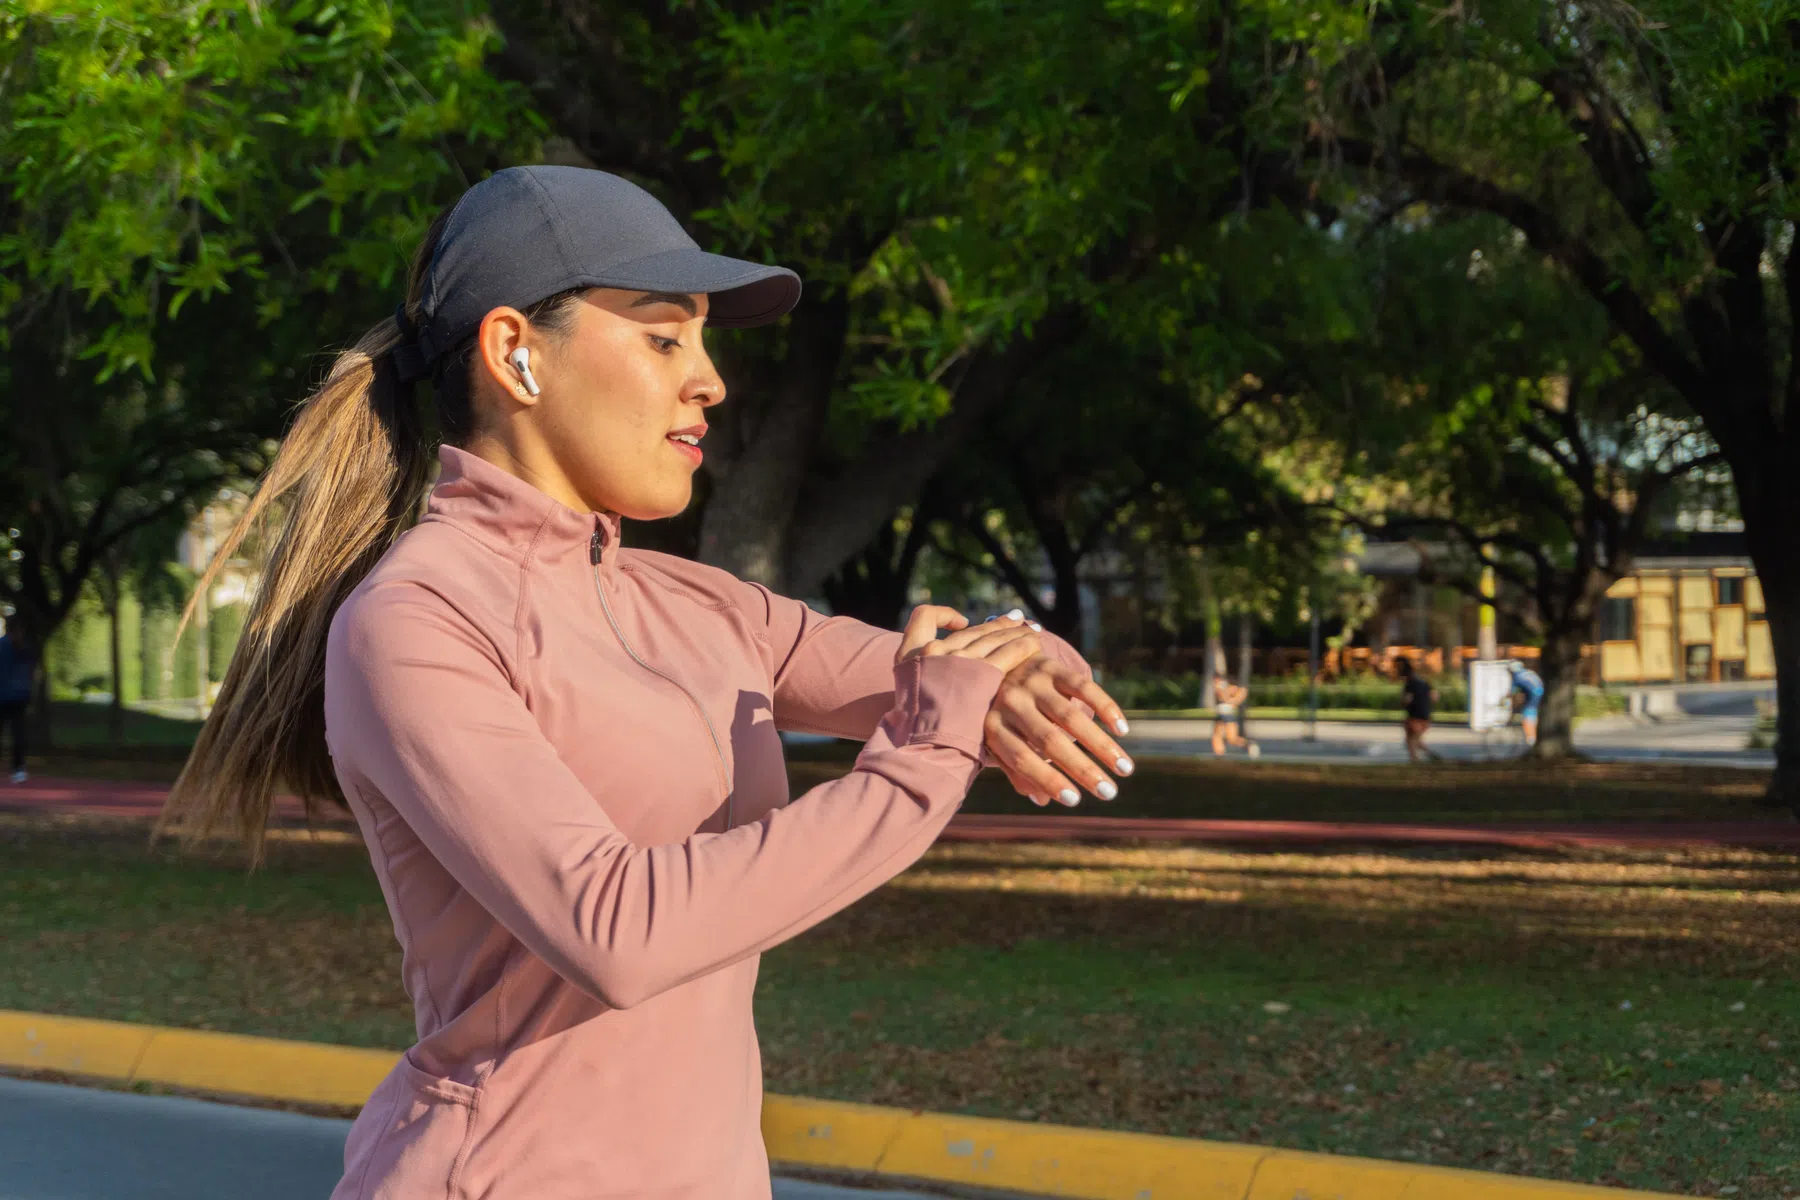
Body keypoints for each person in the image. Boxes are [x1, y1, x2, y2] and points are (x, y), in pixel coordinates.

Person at [157, 166, 1136, 1200]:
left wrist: (1021, 661)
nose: (711, 380)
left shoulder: (700, 606)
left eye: (705, 343)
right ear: (514, 353)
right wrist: (926, 753)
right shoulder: (413, 621)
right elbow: (617, 929)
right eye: (666, 338)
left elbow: (954, 673)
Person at [0, 622, 35, 783]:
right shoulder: (3, 647)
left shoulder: (25, 649)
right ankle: (17, 768)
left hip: (17, 699)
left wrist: (26, 693)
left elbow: (28, 672)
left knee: (18, 735)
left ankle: (18, 768)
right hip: (3, 697)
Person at [1396, 656, 1437, 763]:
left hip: (1414, 715)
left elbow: (1407, 699)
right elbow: (1435, 697)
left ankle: (1414, 760)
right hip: (1425, 714)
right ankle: (1431, 756)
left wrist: (1401, 703)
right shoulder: (1425, 683)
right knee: (1414, 740)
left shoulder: (1410, 683)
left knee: (1412, 740)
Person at [1210, 671, 1260, 757]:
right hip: (1220, 714)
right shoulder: (1218, 686)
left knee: (1232, 739)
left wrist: (1231, 700)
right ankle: (1219, 754)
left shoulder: (1224, 686)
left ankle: (1250, 745)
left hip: (1227, 714)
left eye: (1215, 679)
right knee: (1216, 736)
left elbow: (1240, 693)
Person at [1508, 658, 1545, 746]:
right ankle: (1533, 734)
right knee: (1533, 713)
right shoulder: (1527, 672)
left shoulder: (1517, 676)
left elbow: (1511, 692)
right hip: (1539, 691)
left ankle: (1531, 738)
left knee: (1528, 715)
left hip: (1532, 695)